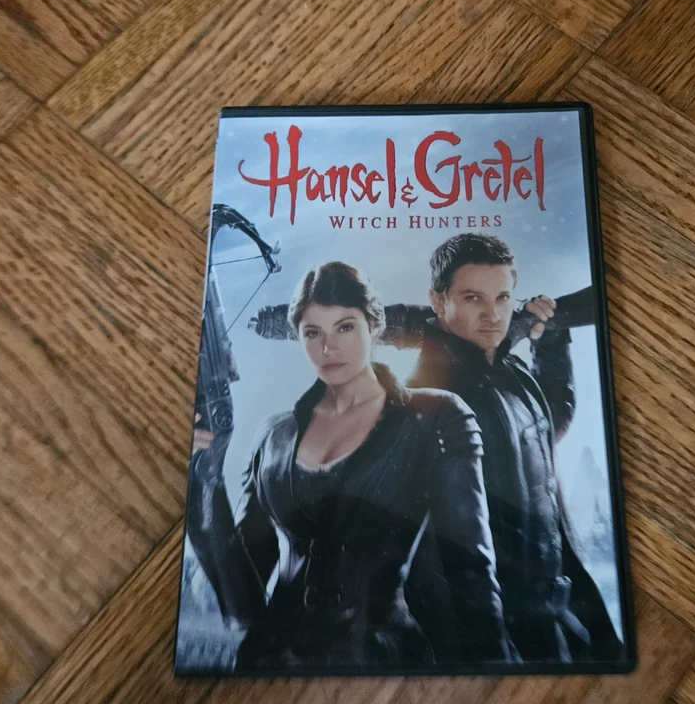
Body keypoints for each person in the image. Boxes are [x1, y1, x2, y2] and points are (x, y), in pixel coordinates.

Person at [187, 261, 511, 669]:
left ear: (374, 326)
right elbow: (242, 597)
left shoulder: (435, 416)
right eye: (312, 332)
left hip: (383, 662)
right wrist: (205, 475)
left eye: (345, 327)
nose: (329, 347)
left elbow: (470, 570)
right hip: (273, 665)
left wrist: (497, 675)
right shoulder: (274, 435)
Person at [406, 233, 623, 663]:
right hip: (503, 626)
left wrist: (550, 341)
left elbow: (543, 429)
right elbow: (432, 551)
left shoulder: (510, 370)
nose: (493, 315)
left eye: (503, 297)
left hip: (559, 598)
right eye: (473, 298)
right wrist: (490, 642)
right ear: (437, 300)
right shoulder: (425, 397)